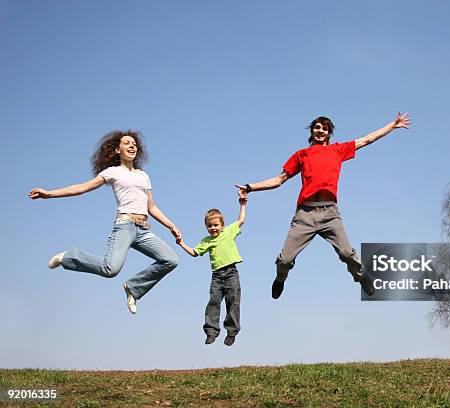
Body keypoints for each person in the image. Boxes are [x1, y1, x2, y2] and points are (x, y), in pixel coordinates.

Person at [237, 112, 411, 299]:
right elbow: (279, 180)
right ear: (312, 131)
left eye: (325, 128)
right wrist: (250, 187)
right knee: (285, 259)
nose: (320, 130)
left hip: (330, 214)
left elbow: (367, 139)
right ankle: (280, 279)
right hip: (305, 215)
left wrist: (392, 126)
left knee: (346, 253)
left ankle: (361, 277)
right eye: (317, 127)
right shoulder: (301, 155)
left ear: (328, 133)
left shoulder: (338, 150)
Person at [29, 130, 181, 314]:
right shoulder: (113, 172)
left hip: (143, 230)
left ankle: (133, 288)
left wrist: (171, 225)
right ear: (118, 150)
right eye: (127, 143)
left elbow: (152, 207)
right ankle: (68, 257)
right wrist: (50, 193)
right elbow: (81, 188)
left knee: (170, 259)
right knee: (110, 269)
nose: (132, 145)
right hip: (124, 226)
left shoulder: (143, 176)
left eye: (134, 143)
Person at [176, 190, 247, 347]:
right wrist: (181, 243)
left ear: (222, 225)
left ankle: (232, 332)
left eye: (216, 225)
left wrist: (243, 204)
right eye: (210, 226)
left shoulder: (229, 231)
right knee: (214, 302)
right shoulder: (206, 241)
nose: (213, 228)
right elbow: (194, 253)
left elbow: (241, 220)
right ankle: (211, 332)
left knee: (233, 301)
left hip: (231, 273)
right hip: (216, 276)